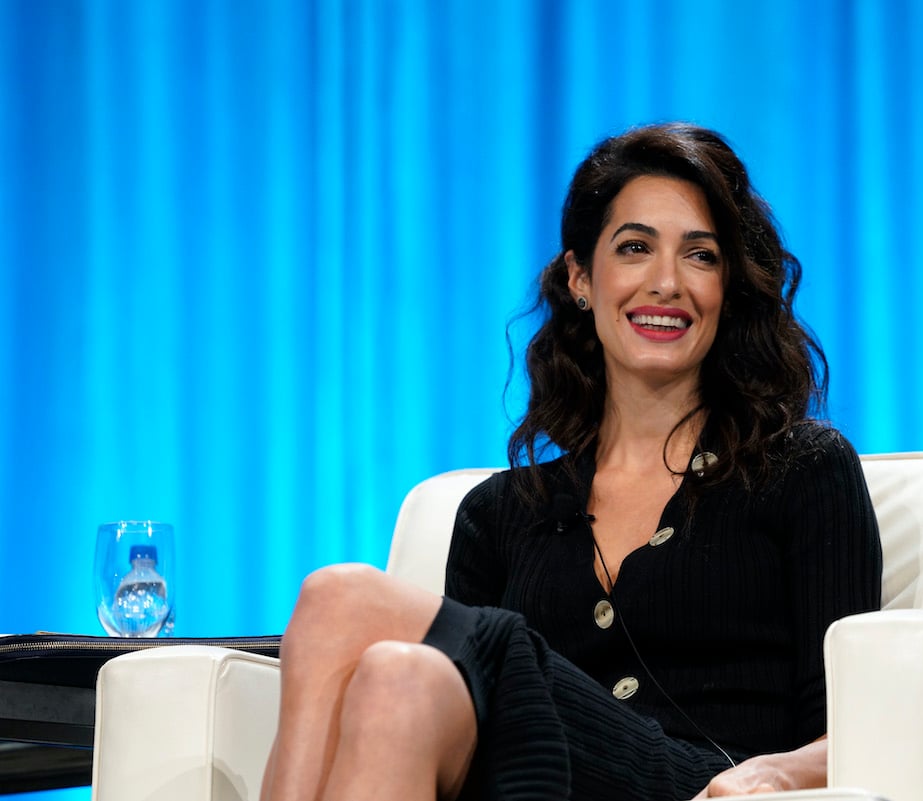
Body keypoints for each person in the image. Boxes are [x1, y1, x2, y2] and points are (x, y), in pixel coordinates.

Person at [260, 123, 882, 801]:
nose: (667, 282)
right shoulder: (499, 513)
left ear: (728, 288)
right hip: (536, 784)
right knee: (398, 679)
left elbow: (865, 725)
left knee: (339, 599)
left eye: (700, 256)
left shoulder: (801, 470)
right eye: (636, 247)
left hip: (701, 786)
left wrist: (776, 770)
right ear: (581, 277)